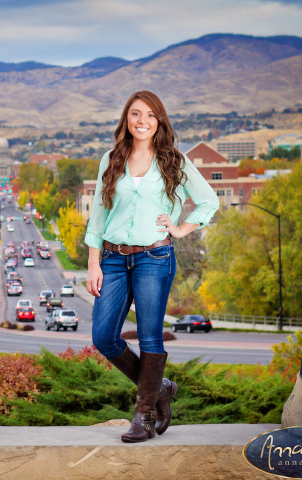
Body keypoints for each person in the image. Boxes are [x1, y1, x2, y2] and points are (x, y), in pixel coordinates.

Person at [84, 91, 219, 443]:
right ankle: (160, 387)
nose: (142, 121)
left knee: (148, 336)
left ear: (159, 120)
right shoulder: (111, 159)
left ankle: (143, 415)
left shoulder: (174, 160)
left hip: (154, 258)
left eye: (149, 115)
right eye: (135, 114)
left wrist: (181, 228)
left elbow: (208, 201)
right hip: (112, 259)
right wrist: (93, 263)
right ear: (126, 120)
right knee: (103, 337)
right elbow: (99, 213)